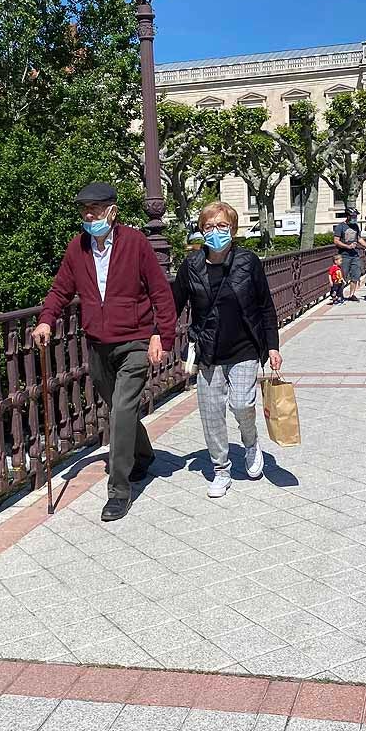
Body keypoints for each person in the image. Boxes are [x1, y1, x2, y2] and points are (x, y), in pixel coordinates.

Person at [32, 182, 177, 522]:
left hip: (135, 341)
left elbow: (161, 293)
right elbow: (60, 290)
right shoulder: (77, 248)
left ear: (112, 211)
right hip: (98, 343)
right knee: (117, 409)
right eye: (84, 211)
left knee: (121, 412)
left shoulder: (136, 243)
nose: (88, 216)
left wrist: (162, 336)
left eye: (95, 211)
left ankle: (119, 491)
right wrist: (46, 321)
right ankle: (142, 456)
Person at [172, 201, 282, 499]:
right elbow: (173, 304)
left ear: (233, 230)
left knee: (242, 404)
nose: (216, 232)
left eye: (222, 226)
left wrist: (272, 345)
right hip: (208, 351)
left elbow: (265, 307)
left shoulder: (248, 261)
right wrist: (159, 336)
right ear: (201, 231)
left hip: (245, 346)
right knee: (211, 414)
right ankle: (221, 469)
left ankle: (250, 443)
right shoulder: (191, 266)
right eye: (209, 227)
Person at [332, 207, 366, 302]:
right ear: (348, 216)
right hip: (344, 255)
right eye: (353, 216)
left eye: (355, 216)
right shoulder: (340, 227)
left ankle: (351, 294)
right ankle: (339, 295)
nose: (355, 218)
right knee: (342, 276)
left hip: (354, 255)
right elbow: (336, 241)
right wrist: (347, 246)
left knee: (356, 275)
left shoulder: (355, 226)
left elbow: (359, 238)